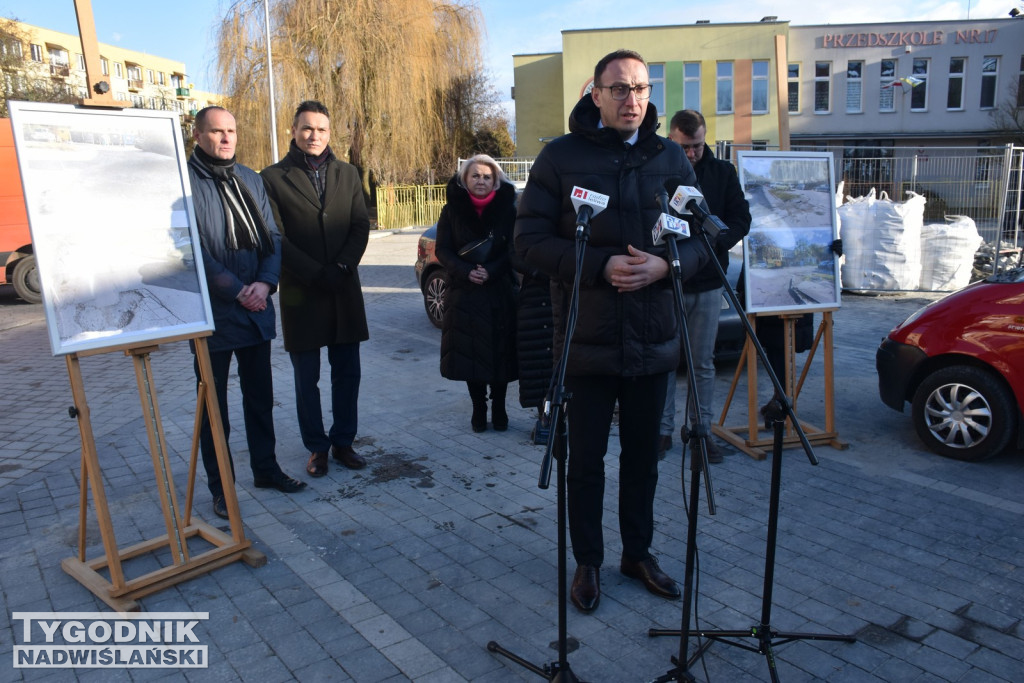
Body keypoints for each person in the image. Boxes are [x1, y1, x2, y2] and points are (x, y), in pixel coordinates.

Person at [515, 49, 712, 614]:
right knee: (587, 463)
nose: (632, 99)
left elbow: (704, 240)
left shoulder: (671, 157)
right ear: (594, 94)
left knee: (644, 459)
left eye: (641, 88)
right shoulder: (560, 157)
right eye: (620, 89)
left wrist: (668, 265)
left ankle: (637, 552)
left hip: (653, 339)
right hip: (587, 342)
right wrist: (599, 265)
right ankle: (589, 561)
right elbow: (527, 243)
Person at [188, 106, 306, 520]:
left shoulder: (250, 179)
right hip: (213, 316)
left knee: (260, 399)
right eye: (217, 132)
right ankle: (221, 488)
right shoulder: (184, 184)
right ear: (198, 135)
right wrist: (237, 291)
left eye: (231, 131)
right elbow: (191, 252)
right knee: (213, 408)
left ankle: (266, 469)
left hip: (256, 308)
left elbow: (272, 235)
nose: (225, 139)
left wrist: (265, 283)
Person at [261, 101, 370, 478]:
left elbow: (360, 224)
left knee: (347, 373)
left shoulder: (348, 173)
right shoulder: (273, 178)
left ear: (329, 133)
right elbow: (276, 235)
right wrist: (314, 273)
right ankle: (317, 448)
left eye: (321, 129)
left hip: (343, 288)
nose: (314, 136)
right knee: (306, 378)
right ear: (293, 131)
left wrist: (341, 266)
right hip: (302, 291)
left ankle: (343, 442)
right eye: (307, 128)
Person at [659, 109, 752, 463]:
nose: (691, 154)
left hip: (709, 282)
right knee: (665, 362)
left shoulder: (722, 173)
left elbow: (741, 219)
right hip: (667, 282)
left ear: (704, 138)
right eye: (684, 147)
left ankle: (701, 432)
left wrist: (714, 242)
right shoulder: (660, 172)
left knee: (702, 364)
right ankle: (662, 430)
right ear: (671, 139)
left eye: (697, 146)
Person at [435, 154, 518, 432]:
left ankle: (500, 408)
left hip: (498, 292)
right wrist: (466, 270)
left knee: (501, 353)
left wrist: (491, 271)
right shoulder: (451, 210)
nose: (481, 180)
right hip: (464, 293)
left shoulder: (508, 209)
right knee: (471, 353)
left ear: (495, 181)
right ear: (464, 179)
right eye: (475, 175)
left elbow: (514, 250)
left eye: (486, 176)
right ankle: (479, 408)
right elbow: (442, 250)